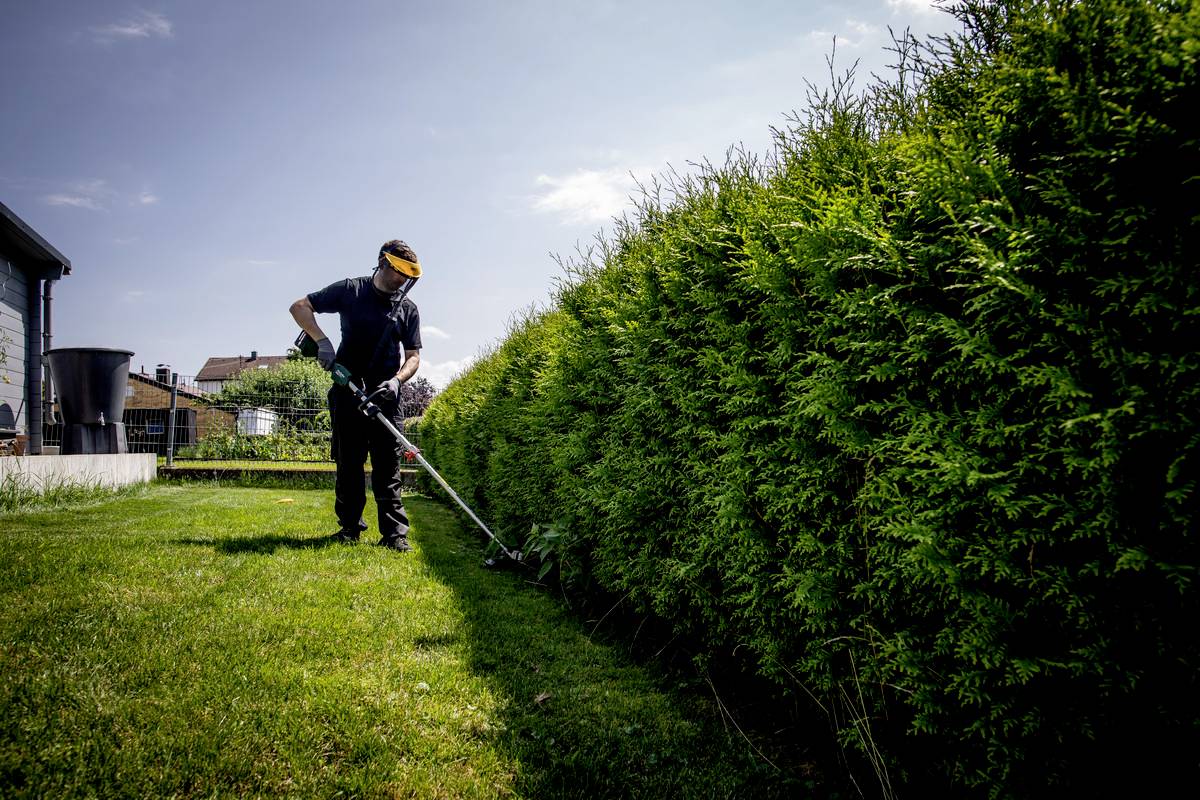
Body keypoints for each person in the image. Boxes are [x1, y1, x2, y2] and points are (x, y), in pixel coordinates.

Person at [289, 239, 424, 551]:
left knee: (387, 467)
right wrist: (321, 341)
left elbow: (414, 356)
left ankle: (394, 535)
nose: (401, 281)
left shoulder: (407, 309)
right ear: (382, 262)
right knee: (349, 464)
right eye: (398, 274)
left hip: (385, 397)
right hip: (347, 389)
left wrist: (396, 381)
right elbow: (300, 307)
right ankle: (350, 528)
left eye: (407, 277)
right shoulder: (351, 290)